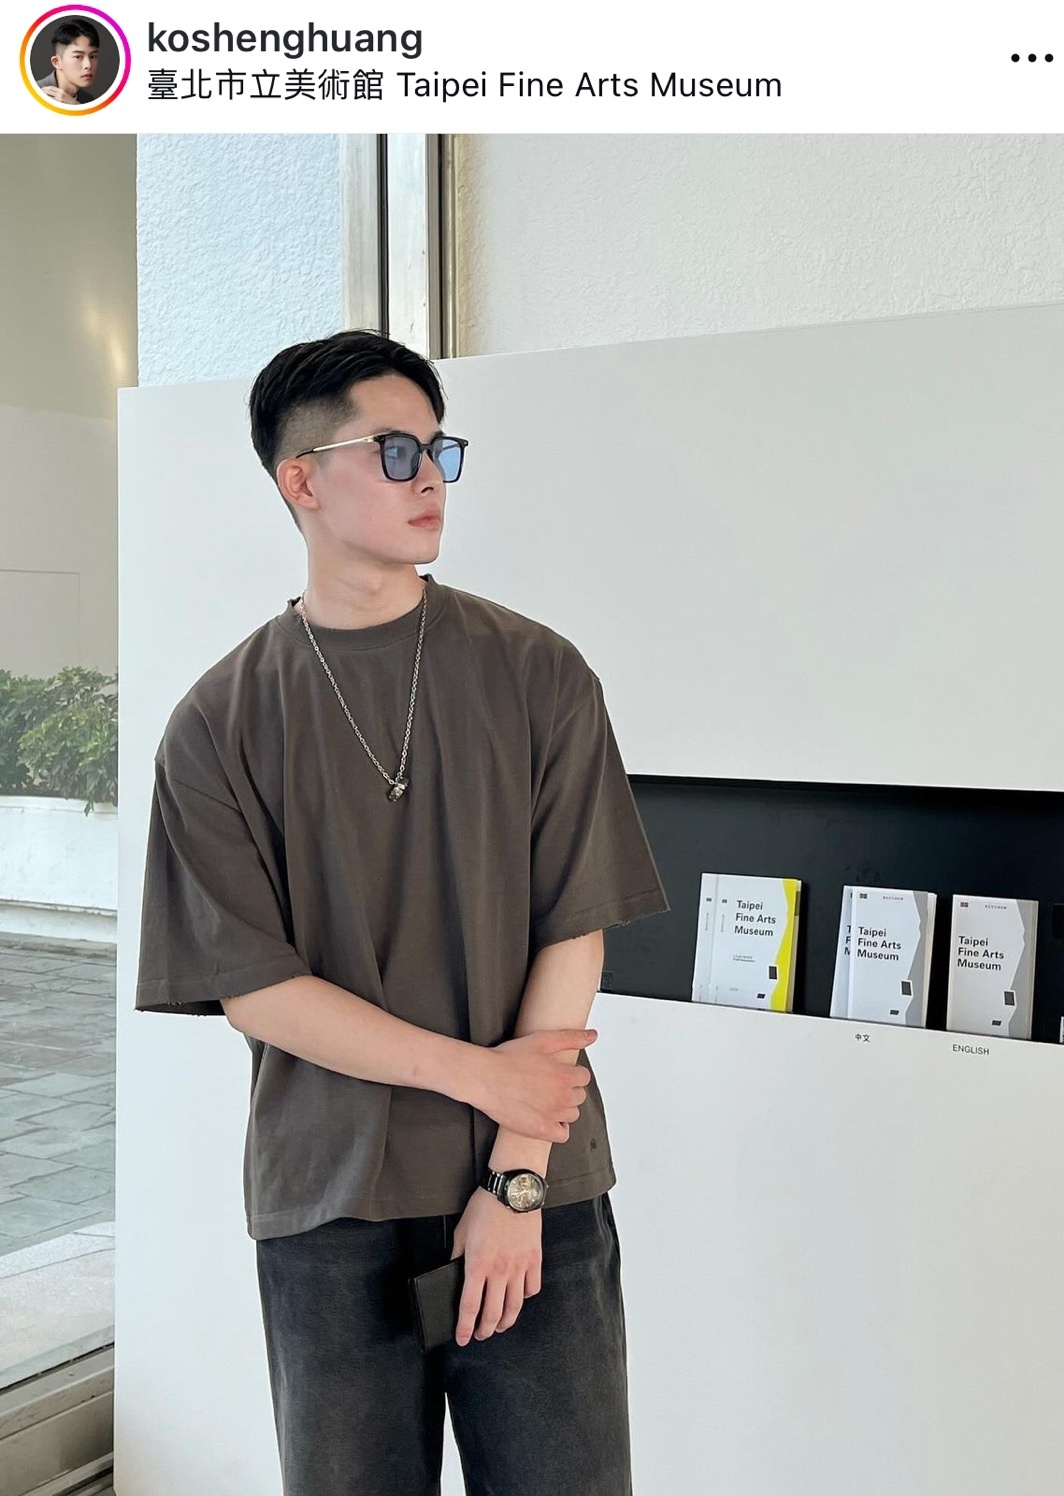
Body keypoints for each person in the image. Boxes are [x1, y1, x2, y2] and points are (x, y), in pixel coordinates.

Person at [134, 329, 669, 1496]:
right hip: (329, 1204)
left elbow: (571, 927)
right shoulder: (217, 722)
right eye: (392, 450)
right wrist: (479, 1076)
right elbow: (256, 990)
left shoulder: (537, 672)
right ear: (301, 478)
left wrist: (515, 1176)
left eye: (437, 448)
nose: (430, 475)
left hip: (534, 1188)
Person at [36, 18, 99, 105]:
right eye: (78, 57)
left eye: (92, 56)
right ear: (57, 62)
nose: (88, 65)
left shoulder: (87, 99)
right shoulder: (35, 93)